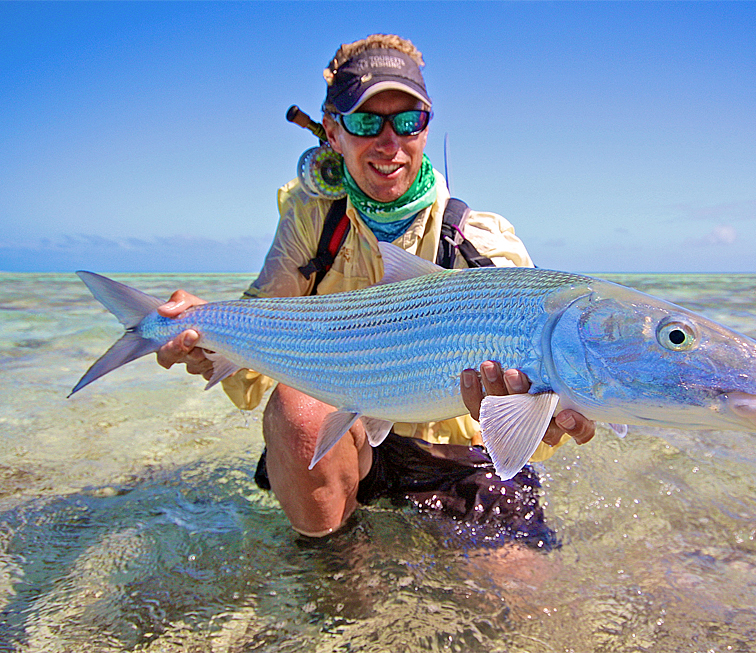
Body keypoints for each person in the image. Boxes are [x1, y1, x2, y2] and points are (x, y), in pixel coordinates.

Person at [155, 34, 595, 543]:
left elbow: (539, 425)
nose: (390, 143)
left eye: (408, 121)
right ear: (333, 131)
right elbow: (254, 370)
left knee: (517, 585)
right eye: (367, 122)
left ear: (426, 127)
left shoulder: (482, 240)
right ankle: (337, 570)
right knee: (299, 411)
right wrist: (207, 336)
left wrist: (545, 418)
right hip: (351, 441)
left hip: (457, 456)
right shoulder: (312, 220)